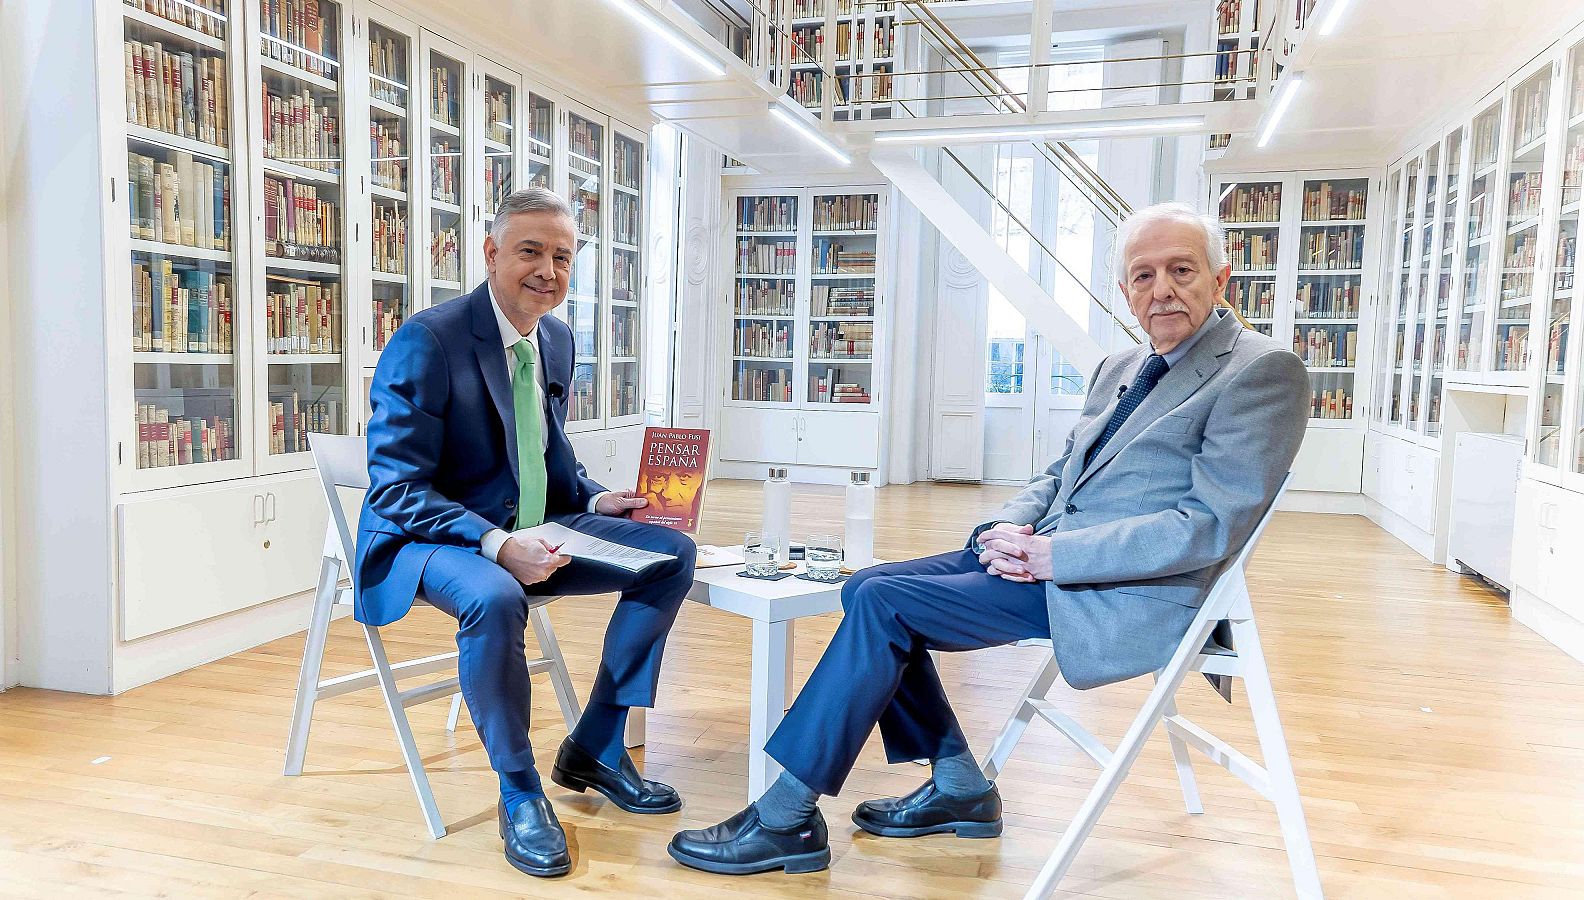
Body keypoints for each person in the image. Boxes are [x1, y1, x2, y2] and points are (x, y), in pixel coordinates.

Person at [667, 202, 1310, 876]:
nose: (1162, 290)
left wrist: (1053, 555)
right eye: (1143, 276)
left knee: (885, 605)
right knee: (866, 584)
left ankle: (785, 819)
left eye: (1181, 271)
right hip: (1047, 559)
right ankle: (961, 789)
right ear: (1124, 292)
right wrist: (1001, 529)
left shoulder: (1261, 371)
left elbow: (1206, 525)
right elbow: (1063, 472)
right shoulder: (1119, 365)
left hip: (1129, 589)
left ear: (1222, 279)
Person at [358, 188, 695, 879]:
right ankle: (520, 791)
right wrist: (495, 544)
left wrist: (601, 498)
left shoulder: (559, 339)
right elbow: (396, 490)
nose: (548, 270)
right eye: (531, 252)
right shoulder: (427, 341)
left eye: (563, 257)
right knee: (496, 597)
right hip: (430, 539)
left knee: (669, 554)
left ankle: (596, 746)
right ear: (491, 254)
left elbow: (548, 455)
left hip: (534, 528)